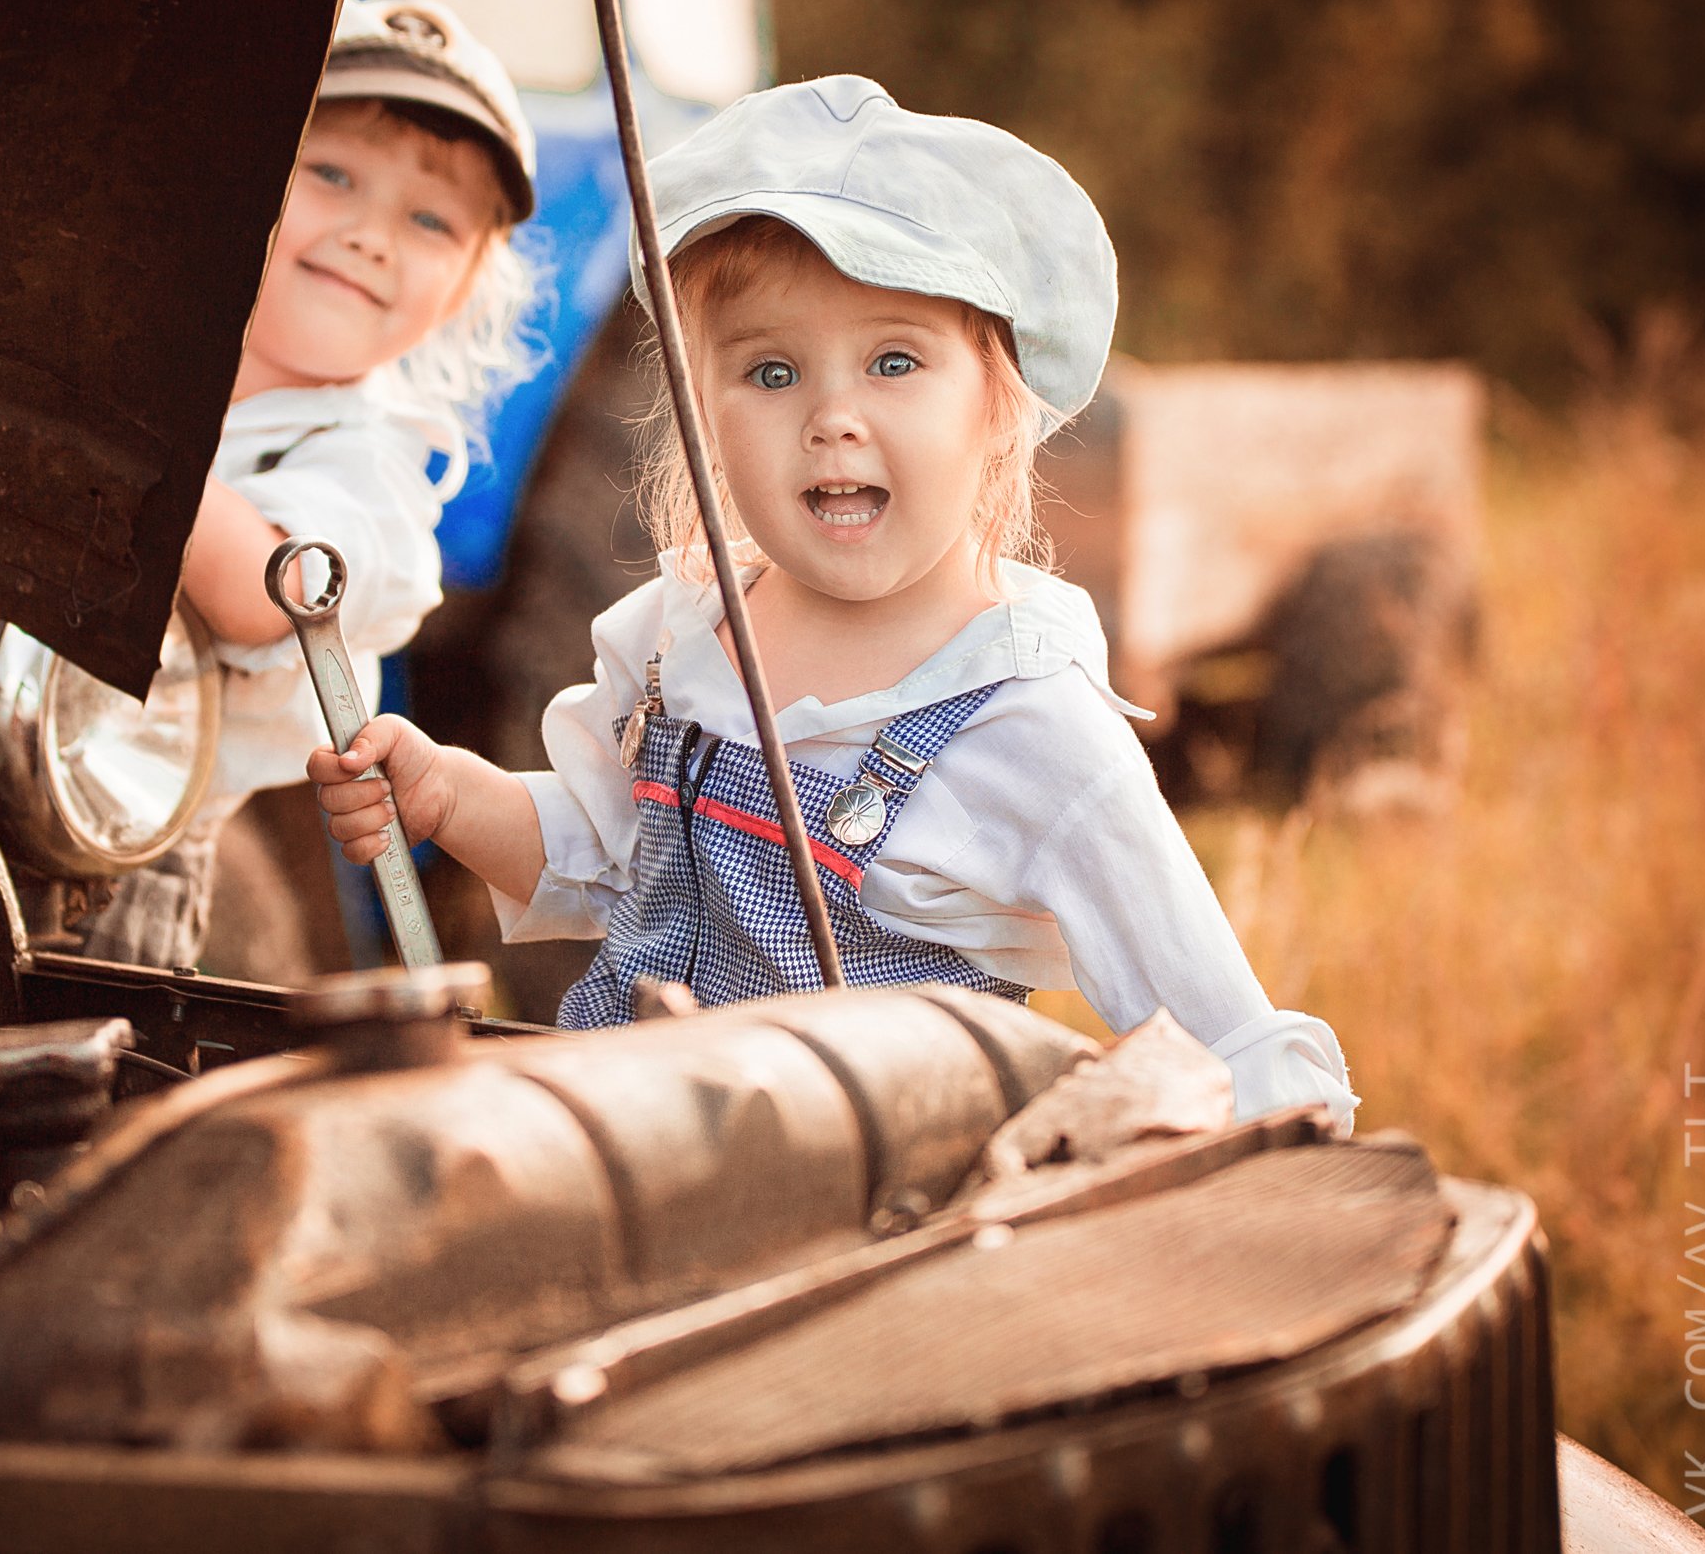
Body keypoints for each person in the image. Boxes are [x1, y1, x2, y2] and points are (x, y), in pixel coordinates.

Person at [308, 74, 1356, 1130]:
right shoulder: (689, 636)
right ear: (700, 411)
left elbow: (1221, 1042)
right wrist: (448, 795)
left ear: (1001, 407)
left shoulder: (1028, 722)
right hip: (627, 1161)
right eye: (769, 372)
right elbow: (610, 856)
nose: (831, 417)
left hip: (862, 1226)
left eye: (894, 360)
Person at [0, 0, 538, 967]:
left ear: (461, 291)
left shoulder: (365, 467)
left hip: (93, 869)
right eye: (330, 173)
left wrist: (105, 436)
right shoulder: (118, 357)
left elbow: (265, 594)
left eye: (428, 221)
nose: (373, 235)